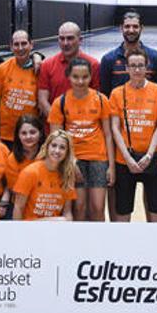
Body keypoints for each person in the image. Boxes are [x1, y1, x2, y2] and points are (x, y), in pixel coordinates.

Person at [109, 48, 157, 223]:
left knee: (156, 209)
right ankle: (124, 248)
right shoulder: (117, 93)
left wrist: (150, 155)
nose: (137, 70)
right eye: (133, 66)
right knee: (122, 211)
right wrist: (128, 158)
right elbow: (115, 128)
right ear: (127, 68)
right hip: (125, 161)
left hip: (154, 158)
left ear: (147, 67)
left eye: (140, 66)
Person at [48, 57, 114, 222]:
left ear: (91, 77)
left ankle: (98, 244)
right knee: (79, 207)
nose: (80, 81)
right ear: (68, 77)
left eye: (85, 77)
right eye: (76, 77)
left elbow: (108, 134)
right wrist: (69, 162)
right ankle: (80, 245)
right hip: (74, 160)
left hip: (98, 159)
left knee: (98, 207)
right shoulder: (60, 103)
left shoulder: (101, 100)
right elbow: (55, 140)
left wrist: (111, 166)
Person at [12, 130, 77, 221]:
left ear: (67, 152)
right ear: (47, 147)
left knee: (63, 220)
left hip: (55, 228)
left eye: (62, 147)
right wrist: (17, 232)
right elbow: (18, 207)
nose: (57, 151)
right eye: (54, 146)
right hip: (30, 226)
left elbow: (67, 212)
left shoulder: (67, 176)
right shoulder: (30, 172)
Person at [38, 21, 100, 117]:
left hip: (83, 126)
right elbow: (42, 100)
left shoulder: (93, 65)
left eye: (70, 38)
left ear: (80, 40)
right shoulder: (47, 65)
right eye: (62, 39)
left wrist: (75, 123)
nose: (65, 43)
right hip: (55, 128)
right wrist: (58, 121)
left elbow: (96, 99)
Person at [99, 10, 157, 96]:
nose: (131, 30)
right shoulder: (108, 59)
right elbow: (105, 94)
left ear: (141, 28)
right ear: (121, 28)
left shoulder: (156, 58)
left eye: (135, 26)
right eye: (127, 26)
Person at [0, 30, 40, 148]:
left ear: (31, 45)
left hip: (30, 135)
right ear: (11, 47)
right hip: (6, 135)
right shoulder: (3, 68)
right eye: (16, 44)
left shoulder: (39, 70)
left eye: (24, 43)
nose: (20, 48)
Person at [1, 115, 45, 220]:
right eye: (24, 133)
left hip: (45, 204)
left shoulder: (49, 156)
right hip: (19, 204)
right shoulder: (12, 158)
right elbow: (16, 191)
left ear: (40, 133)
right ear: (18, 136)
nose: (28, 137)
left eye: (33, 132)